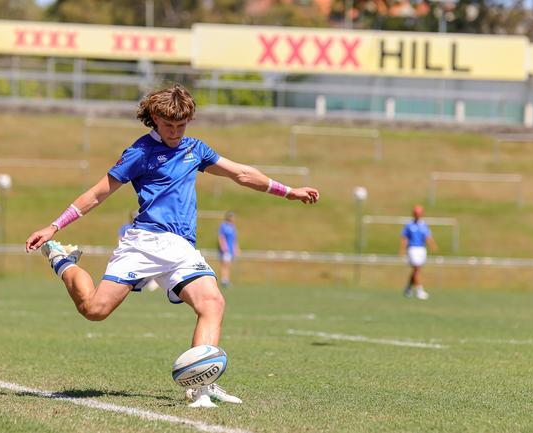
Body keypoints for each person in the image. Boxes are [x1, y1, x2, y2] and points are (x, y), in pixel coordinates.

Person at [25, 84, 320, 408]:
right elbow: (98, 193)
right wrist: (54, 226)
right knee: (94, 310)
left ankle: (202, 387)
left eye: (182, 126)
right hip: (144, 243)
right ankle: (62, 258)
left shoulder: (196, 149)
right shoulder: (139, 152)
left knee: (212, 303)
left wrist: (289, 191)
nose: (176, 132)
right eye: (169, 126)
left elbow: (242, 173)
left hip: (181, 248)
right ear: (154, 118)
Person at [399, 204, 437, 300]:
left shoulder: (424, 225)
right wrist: (402, 250)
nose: (417, 215)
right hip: (412, 249)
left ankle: (408, 288)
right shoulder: (409, 225)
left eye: (419, 213)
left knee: (417, 270)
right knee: (417, 269)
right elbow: (404, 238)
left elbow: (427, 237)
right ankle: (420, 291)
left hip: (421, 249)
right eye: (416, 213)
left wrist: (432, 245)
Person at [118, 210, 159, 292]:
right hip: (128, 250)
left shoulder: (141, 227)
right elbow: (120, 238)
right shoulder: (126, 227)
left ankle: (150, 280)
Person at [217, 211, 240, 288]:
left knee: (228, 265)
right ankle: (224, 280)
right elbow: (221, 237)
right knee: (225, 265)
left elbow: (234, 239)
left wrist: (236, 248)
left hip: (231, 250)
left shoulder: (233, 227)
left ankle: (226, 280)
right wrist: (223, 247)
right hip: (225, 249)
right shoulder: (223, 226)